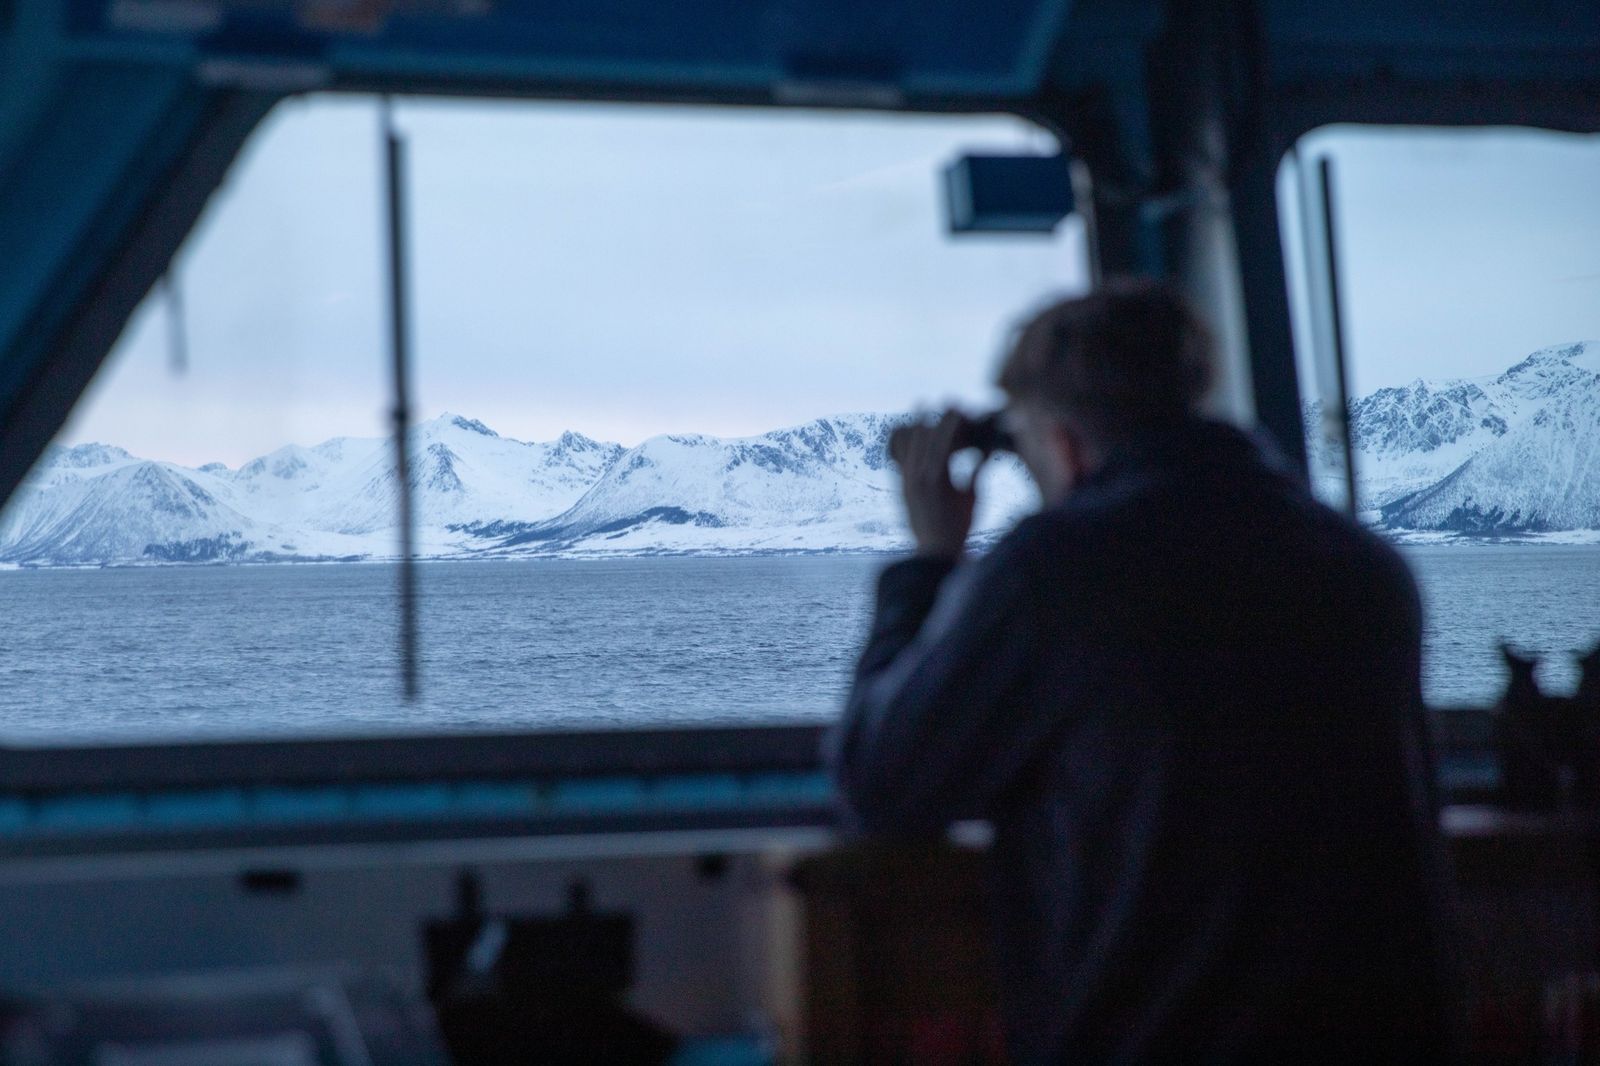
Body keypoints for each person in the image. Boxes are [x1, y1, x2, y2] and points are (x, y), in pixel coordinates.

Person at [829, 279, 1460, 1063]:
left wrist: (928, 565)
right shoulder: (1359, 564)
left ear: (1061, 444)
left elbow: (883, 783)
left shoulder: (1056, 570)